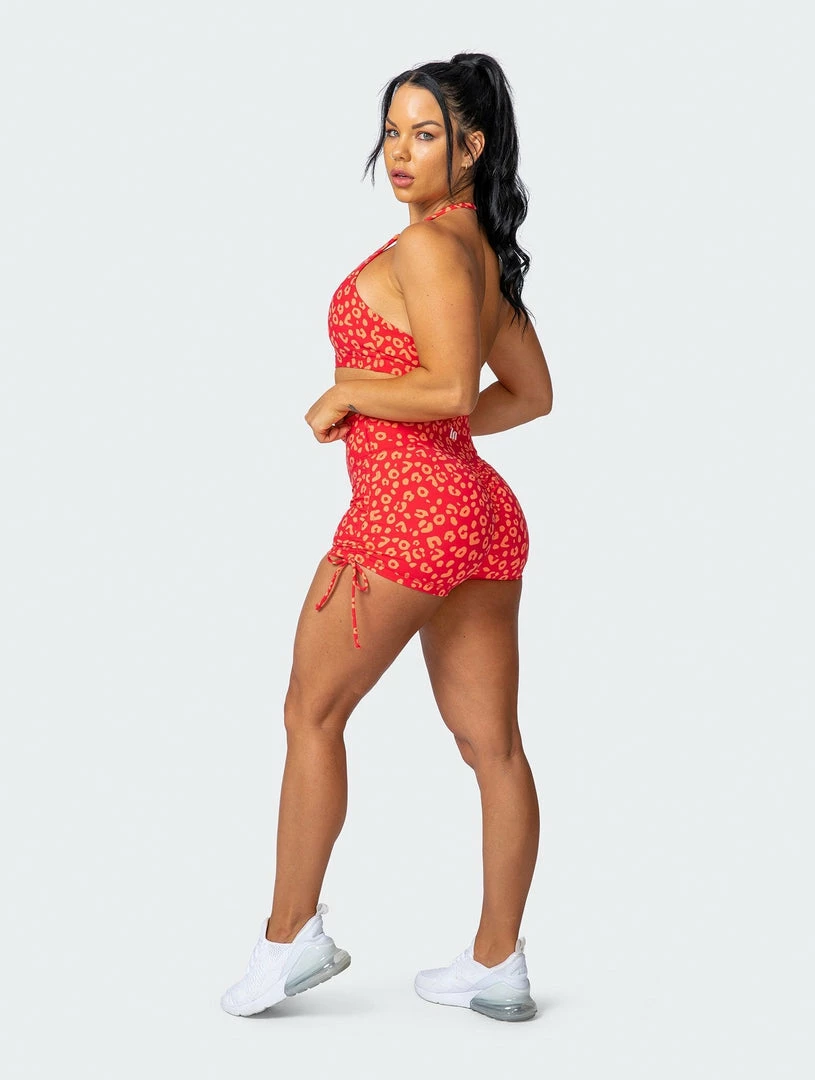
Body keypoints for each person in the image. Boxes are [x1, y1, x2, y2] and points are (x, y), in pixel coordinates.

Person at [220, 51, 552, 1023]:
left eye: (426, 134)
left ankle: (289, 938)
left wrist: (352, 391)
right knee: (492, 747)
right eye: (393, 132)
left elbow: (448, 389)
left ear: (470, 148)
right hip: (478, 516)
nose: (401, 152)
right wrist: (428, 426)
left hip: (409, 516)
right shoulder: (477, 253)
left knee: (311, 713)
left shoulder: (427, 250)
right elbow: (527, 394)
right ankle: (497, 962)